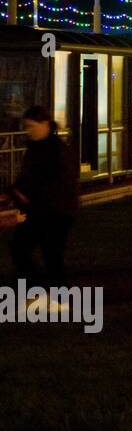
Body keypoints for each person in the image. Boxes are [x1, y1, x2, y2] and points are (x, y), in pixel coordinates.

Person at [7, 106, 80, 309]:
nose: (28, 131)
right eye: (26, 127)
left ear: (45, 124)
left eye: (31, 126)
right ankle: (49, 294)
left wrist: (25, 194)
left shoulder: (55, 150)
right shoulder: (38, 148)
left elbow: (54, 182)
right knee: (28, 250)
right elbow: (30, 178)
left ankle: (52, 296)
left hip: (55, 212)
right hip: (44, 211)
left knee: (48, 253)